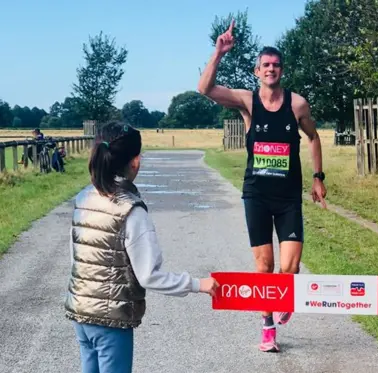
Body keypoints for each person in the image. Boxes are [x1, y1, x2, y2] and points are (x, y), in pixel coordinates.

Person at [197, 20, 327, 352]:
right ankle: (267, 325)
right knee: (264, 265)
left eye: (276, 65)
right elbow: (205, 89)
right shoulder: (247, 101)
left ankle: (285, 297)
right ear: (257, 71)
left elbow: (313, 138)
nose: (271, 69)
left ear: (282, 70)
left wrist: (318, 177)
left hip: (287, 198)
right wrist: (219, 52)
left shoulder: (297, 105)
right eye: (265, 65)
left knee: (292, 266)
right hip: (256, 195)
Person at [64, 120, 219, 373]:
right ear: (135, 161)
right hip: (111, 319)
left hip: (80, 310)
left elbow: (77, 256)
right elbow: (148, 275)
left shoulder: (83, 197)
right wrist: (197, 284)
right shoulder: (130, 211)